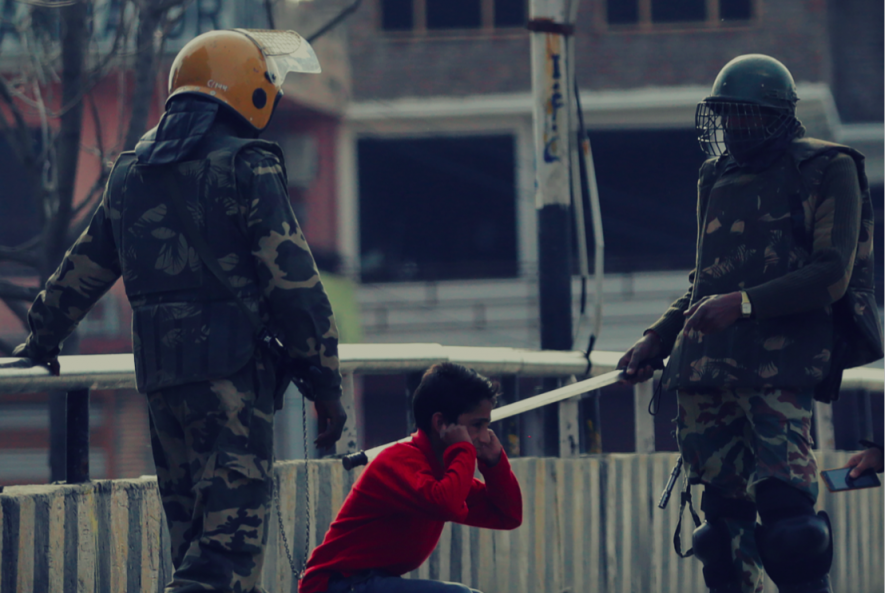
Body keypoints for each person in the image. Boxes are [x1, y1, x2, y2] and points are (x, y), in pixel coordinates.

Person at [12, 29, 347, 593]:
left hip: (163, 383)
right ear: (249, 89)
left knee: (191, 545)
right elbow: (295, 284)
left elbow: (83, 269)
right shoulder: (248, 166)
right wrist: (325, 383)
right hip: (232, 384)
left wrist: (40, 340)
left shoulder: (129, 173)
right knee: (227, 558)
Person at [619, 54, 881, 593]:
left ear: (779, 116)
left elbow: (832, 272)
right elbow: (703, 279)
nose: (734, 129)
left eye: (746, 117)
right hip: (706, 370)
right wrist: (656, 337)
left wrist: (741, 304)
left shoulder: (828, 167)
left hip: (779, 363)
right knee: (720, 530)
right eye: (726, 117)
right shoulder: (716, 174)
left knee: (792, 527)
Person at [299, 362, 523, 593]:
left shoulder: (442, 471)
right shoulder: (400, 461)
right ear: (441, 423)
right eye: (477, 425)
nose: (485, 437)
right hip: (338, 584)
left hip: (368, 582)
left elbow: (507, 515)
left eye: (487, 425)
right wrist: (464, 450)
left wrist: (495, 464)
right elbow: (444, 504)